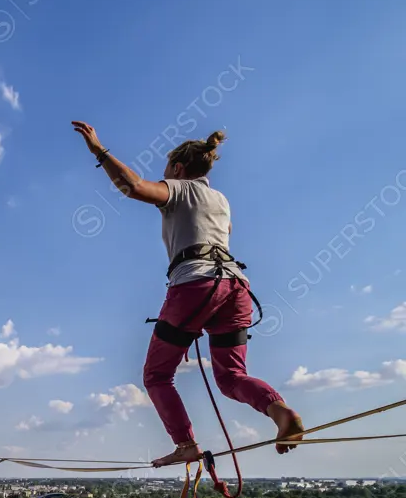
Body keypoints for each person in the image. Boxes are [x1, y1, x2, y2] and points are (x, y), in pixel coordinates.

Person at [71, 121, 304, 467]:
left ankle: (186, 444)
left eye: (167, 170)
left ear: (178, 169)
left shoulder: (179, 189)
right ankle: (279, 410)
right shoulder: (221, 200)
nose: (163, 176)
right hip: (235, 285)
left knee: (156, 375)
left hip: (196, 283)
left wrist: (99, 151)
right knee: (231, 377)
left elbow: (133, 187)